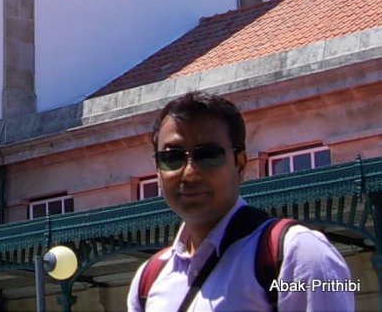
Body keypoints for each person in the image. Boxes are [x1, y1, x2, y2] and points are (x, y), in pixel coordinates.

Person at [127, 91, 355, 311]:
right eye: (172, 158)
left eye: (209, 155)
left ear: (240, 164)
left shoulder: (299, 253)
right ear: (157, 171)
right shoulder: (148, 280)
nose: (189, 173)